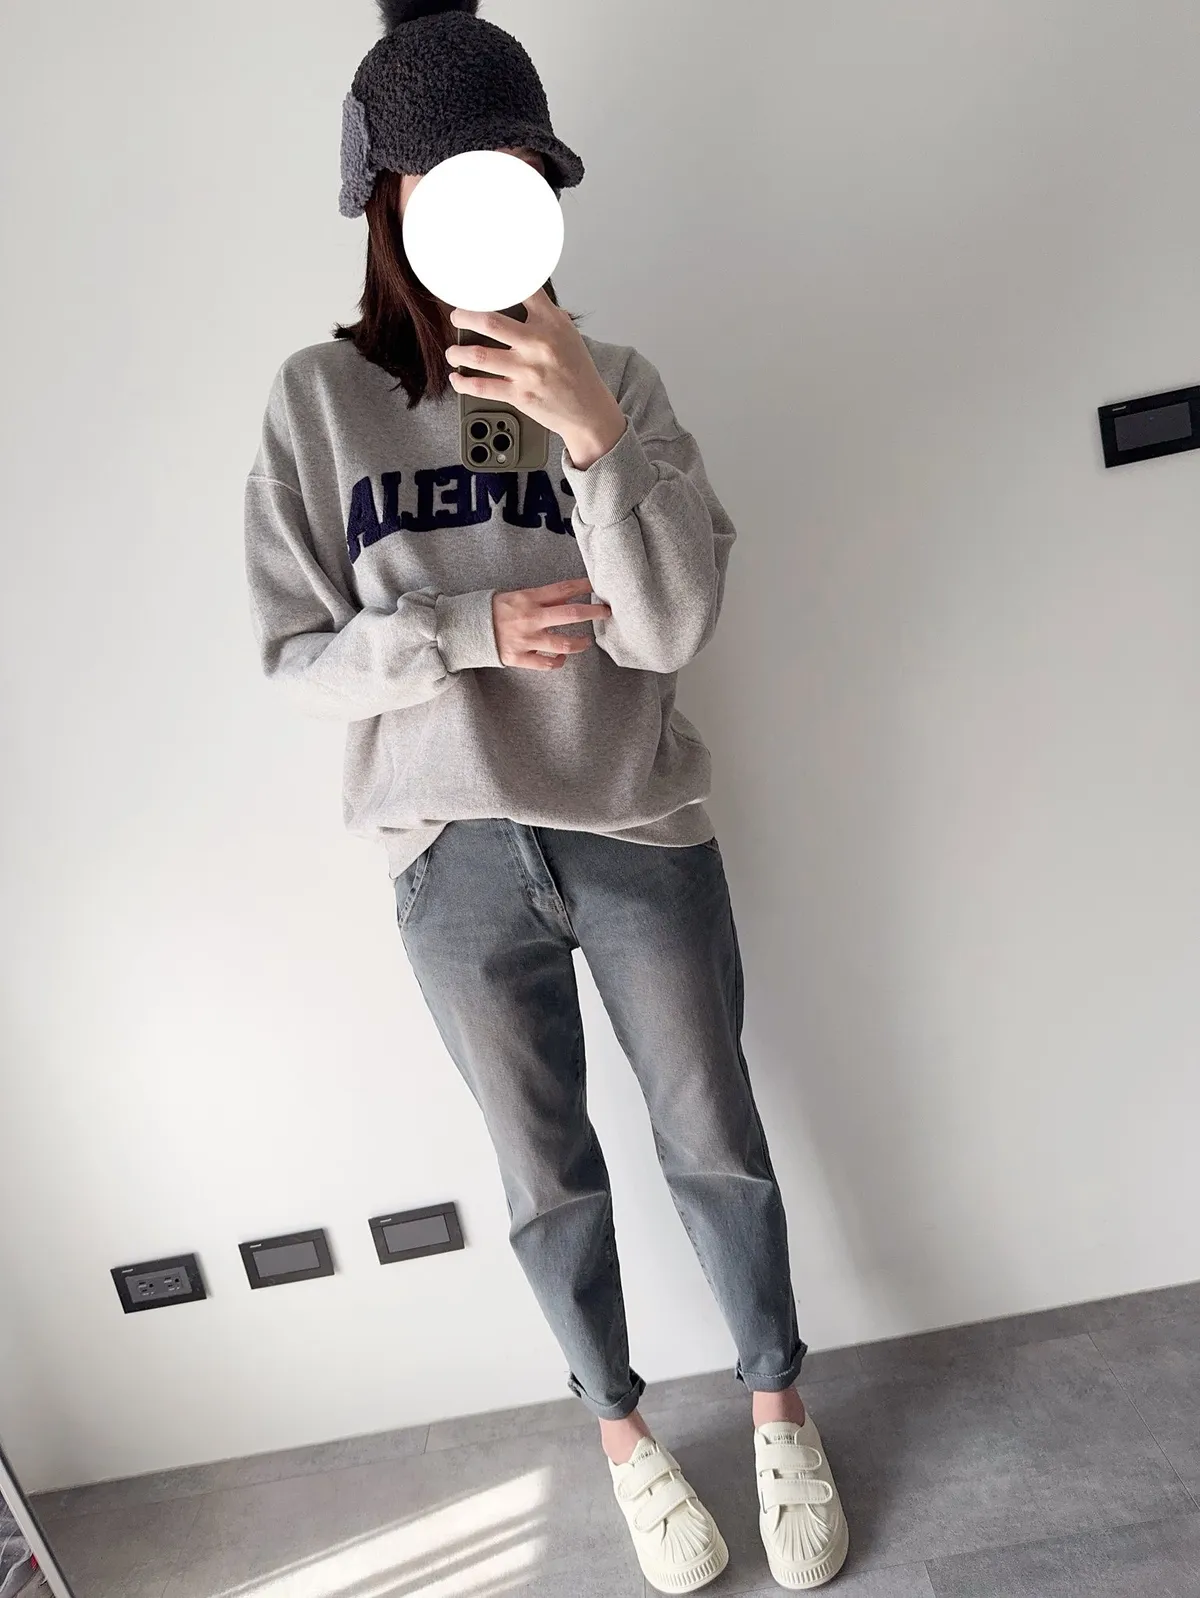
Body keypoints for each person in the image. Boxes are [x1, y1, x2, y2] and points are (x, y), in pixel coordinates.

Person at [243, 1, 848, 1590]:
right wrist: (465, 629)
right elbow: (295, 658)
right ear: (388, 199)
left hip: (633, 819)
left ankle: (778, 1405)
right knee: (545, 1177)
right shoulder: (316, 401)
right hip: (448, 854)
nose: (485, 199)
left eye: (513, 170)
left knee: (714, 1136)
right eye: (452, 174)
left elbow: (671, 625)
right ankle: (624, 1435)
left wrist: (593, 436)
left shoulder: (618, 376)